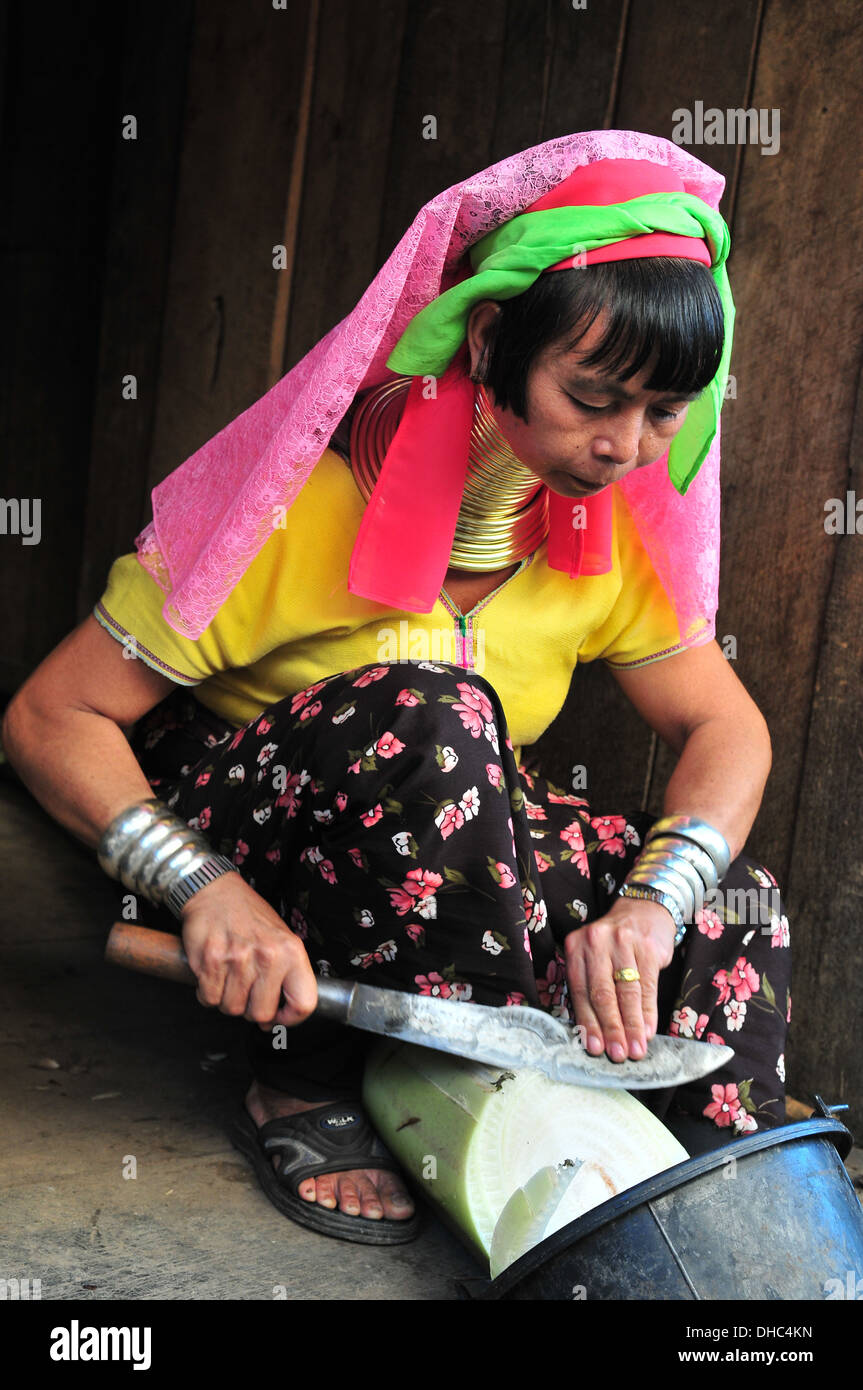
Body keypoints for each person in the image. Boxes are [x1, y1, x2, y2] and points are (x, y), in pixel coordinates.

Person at [2, 131, 790, 1248]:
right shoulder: (294, 509)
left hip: (450, 887)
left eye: (663, 412)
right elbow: (49, 715)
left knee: (730, 887)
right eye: (594, 396)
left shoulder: (603, 534)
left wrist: (647, 911)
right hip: (264, 841)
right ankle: (305, 1072)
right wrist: (207, 889)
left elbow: (725, 727)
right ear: (488, 337)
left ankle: (690, 1152)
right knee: (431, 713)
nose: (624, 446)